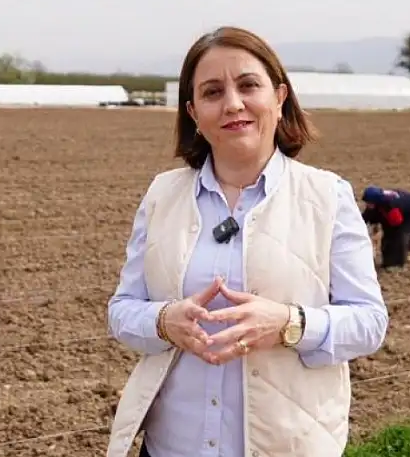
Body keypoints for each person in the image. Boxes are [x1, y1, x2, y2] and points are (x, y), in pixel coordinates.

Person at [106, 26, 389, 457]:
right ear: (194, 112)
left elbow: (369, 323)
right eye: (213, 91)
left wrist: (289, 324)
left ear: (279, 97)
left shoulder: (326, 196)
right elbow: (123, 311)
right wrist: (165, 321)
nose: (233, 104)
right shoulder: (162, 195)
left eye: (248, 85)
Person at [361, 185, 410, 271]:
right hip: (400, 208)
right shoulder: (376, 202)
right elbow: (366, 217)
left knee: (398, 235)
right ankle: (388, 262)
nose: (367, 205)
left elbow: (396, 224)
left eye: (369, 203)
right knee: (388, 235)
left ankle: (398, 264)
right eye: (367, 202)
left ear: (377, 202)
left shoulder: (390, 206)